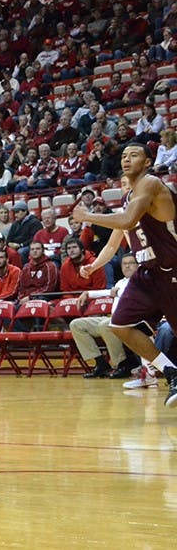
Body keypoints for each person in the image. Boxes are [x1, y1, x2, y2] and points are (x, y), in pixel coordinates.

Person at [73, 145, 177, 407]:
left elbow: (128, 221)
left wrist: (88, 216)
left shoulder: (151, 184)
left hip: (171, 269)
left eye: (134, 155)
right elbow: (112, 243)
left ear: (148, 161)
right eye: (123, 156)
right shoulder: (128, 200)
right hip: (148, 273)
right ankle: (171, 372)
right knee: (118, 324)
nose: (127, 159)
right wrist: (94, 267)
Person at [70, 250, 139, 379]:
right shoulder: (120, 282)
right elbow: (110, 292)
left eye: (131, 263)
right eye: (124, 264)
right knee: (76, 324)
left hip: (130, 321)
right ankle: (100, 363)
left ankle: (122, 364)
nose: (127, 266)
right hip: (113, 318)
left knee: (105, 324)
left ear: (138, 265)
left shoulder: (141, 281)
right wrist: (88, 294)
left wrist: (115, 292)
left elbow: (120, 293)